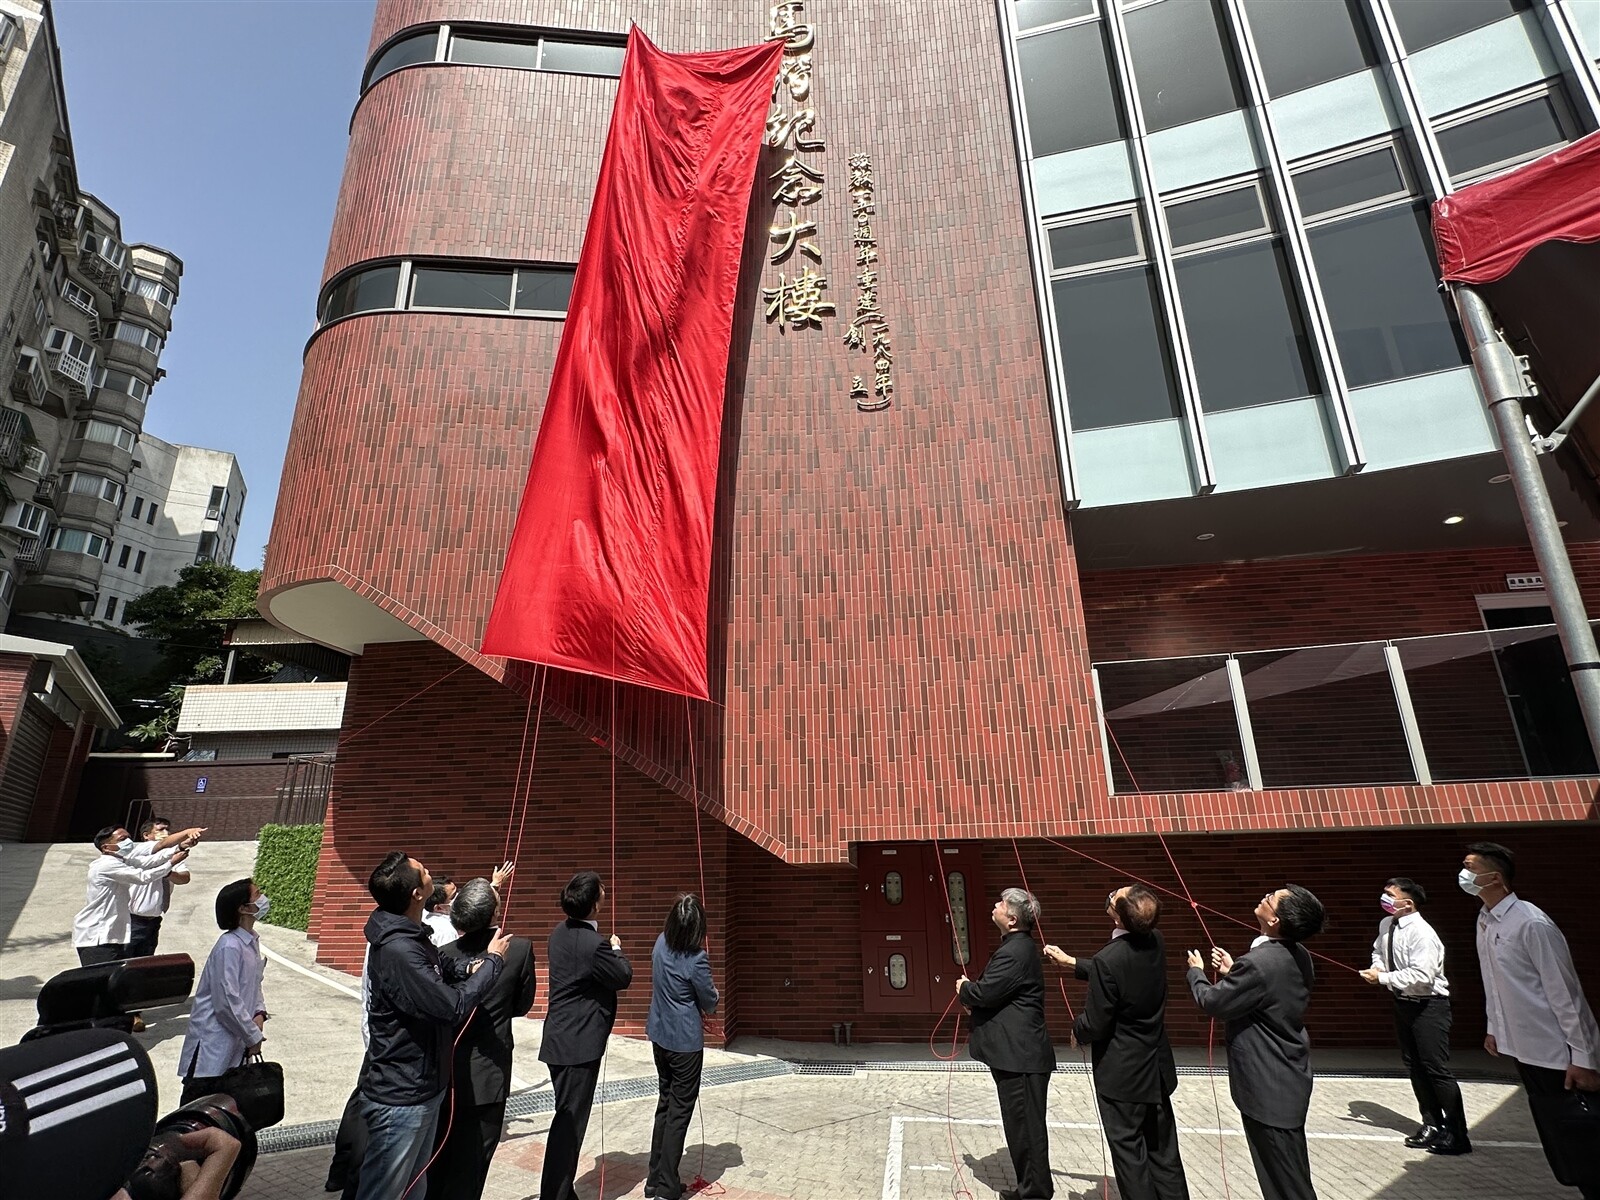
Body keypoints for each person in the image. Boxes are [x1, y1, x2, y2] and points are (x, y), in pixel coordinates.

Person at [357, 852, 511, 1200]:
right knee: (384, 1191)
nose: (431, 875)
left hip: (422, 1087)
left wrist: (468, 968)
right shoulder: (399, 949)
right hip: (403, 1095)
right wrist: (493, 961)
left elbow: (438, 964)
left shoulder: (410, 934)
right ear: (416, 894)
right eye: (424, 872)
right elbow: (451, 1006)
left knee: (414, 1186)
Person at [1462, 842, 1600, 1199]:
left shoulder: (1531, 922)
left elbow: (1566, 994)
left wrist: (1584, 1058)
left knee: (1583, 1136)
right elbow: (1493, 982)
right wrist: (1494, 1028)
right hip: (1527, 1053)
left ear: (1494, 878)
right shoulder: (1485, 921)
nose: (1463, 875)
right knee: (1561, 1137)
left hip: (1557, 1054)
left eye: (1469, 867)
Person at [1044, 885, 1188, 1200]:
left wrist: (1077, 1029)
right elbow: (1120, 970)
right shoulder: (1155, 941)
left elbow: (1097, 1020)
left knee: (1130, 1156)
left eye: (1115, 897)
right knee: (1163, 1152)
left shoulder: (1110, 959)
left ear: (1118, 918)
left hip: (1123, 1076)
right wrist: (1072, 963)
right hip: (1156, 1069)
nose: (1110, 895)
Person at [1186, 885, 1325, 1200]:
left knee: (1287, 1184)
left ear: (1276, 920)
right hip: (1285, 1080)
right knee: (1284, 1175)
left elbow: (1214, 1002)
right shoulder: (1297, 954)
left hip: (1269, 1087)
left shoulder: (1260, 962)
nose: (1265, 896)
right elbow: (1268, 993)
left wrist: (1197, 974)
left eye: (1272, 899)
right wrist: (1233, 971)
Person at [427, 876, 537, 1200]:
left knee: (440, 1160)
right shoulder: (517, 949)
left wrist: (493, 889)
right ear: (493, 914)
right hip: (489, 1073)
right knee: (474, 1165)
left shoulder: (442, 954)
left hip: (445, 1074)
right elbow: (523, 1003)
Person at [1357, 876, 1469, 1154]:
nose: (1384, 898)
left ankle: (1457, 1133)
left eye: (1389, 894)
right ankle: (1431, 1122)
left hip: (1429, 1005)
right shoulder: (1387, 924)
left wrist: (1383, 978)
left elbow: (1422, 976)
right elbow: (1378, 951)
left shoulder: (1423, 932)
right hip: (1402, 1003)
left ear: (1407, 903)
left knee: (1435, 1068)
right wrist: (1378, 967)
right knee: (1414, 1065)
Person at [540, 871, 633, 1200]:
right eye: (602, 892)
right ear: (595, 905)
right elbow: (622, 977)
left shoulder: (558, 933)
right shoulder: (596, 945)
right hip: (578, 1046)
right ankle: (555, 1193)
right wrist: (616, 949)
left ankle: (563, 1191)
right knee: (569, 1124)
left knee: (567, 1118)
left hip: (559, 1038)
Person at [957, 887, 1056, 1200]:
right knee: (1019, 1127)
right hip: (1015, 1056)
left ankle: (1035, 1193)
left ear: (1012, 918)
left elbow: (986, 992)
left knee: (1026, 1129)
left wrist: (965, 989)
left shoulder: (1016, 951)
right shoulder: (1014, 947)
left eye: (1000, 903)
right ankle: (1029, 1188)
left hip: (1022, 1057)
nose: (995, 905)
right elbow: (997, 993)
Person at [646, 894, 719, 1200]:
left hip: (659, 1035)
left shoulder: (661, 942)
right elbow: (710, 1000)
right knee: (679, 1111)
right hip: (684, 1043)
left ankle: (654, 1179)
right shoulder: (697, 958)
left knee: (665, 1104)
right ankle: (665, 1187)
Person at [178, 878, 270, 1104]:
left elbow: (254, 985)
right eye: (257, 895)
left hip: (237, 1042)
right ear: (243, 908)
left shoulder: (251, 942)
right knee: (197, 1110)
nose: (263, 899)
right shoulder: (229, 946)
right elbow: (226, 1001)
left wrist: (259, 1014)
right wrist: (252, 1035)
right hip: (213, 1047)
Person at [72, 825, 193, 967]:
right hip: (97, 936)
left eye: (129, 837)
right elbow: (143, 877)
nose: (128, 841)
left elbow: (148, 862)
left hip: (112, 935)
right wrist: (171, 863)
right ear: (106, 847)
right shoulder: (106, 865)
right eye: (122, 839)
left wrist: (179, 847)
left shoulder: (122, 861)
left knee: (121, 978)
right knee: (101, 982)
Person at [127, 816, 192, 959]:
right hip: (132, 920)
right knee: (125, 961)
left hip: (154, 920)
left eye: (168, 829)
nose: (166, 833)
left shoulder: (172, 855)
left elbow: (184, 877)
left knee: (144, 962)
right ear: (146, 836)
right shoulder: (140, 852)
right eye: (160, 829)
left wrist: (167, 872)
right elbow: (162, 846)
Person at [423, 878, 459, 947]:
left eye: (457, 891)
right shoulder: (446, 932)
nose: (459, 896)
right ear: (438, 908)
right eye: (453, 896)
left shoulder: (426, 919)